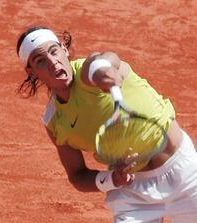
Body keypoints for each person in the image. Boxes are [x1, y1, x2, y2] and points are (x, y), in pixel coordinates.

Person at [16, 26, 197, 223]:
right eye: (40, 61)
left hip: (185, 175)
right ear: (31, 71)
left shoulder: (86, 73)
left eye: (54, 51)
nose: (53, 62)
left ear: (64, 50)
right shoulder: (54, 121)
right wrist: (112, 179)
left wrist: (102, 72)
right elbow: (77, 175)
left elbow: (102, 60)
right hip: (135, 196)